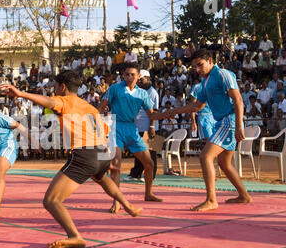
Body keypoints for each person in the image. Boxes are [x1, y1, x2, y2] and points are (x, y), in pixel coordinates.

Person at [0, 71, 143, 248]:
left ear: (63, 87)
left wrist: (21, 93)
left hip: (85, 155)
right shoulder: (88, 106)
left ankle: (75, 236)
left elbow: (50, 102)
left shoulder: (64, 101)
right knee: (101, 178)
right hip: (102, 152)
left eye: (55, 87)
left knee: (51, 201)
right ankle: (128, 205)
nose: (54, 91)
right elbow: (102, 131)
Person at [167, 49, 252, 212]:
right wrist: (175, 111)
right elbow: (198, 106)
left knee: (206, 156)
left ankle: (212, 200)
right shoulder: (205, 82)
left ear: (211, 61)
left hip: (230, 120)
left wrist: (239, 125)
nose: (198, 69)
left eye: (200, 65)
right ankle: (244, 195)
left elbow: (238, 99)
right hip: (222, 122)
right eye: (195, 67)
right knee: (224, 163)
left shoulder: (223, 74)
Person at [98, 64, 167, 214]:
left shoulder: (143, 94)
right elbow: (102, 105)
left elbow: (151, 114)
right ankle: (116, 202)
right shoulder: (115, 88)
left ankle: (148, 194)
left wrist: (162, 119)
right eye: (127, 75)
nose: (129, 77)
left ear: (138, 77)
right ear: (123, 76)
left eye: (132, 75)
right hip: (115, 127)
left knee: (149, 163)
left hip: (132, 129)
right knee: (116, 166)